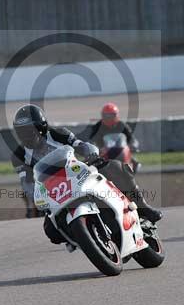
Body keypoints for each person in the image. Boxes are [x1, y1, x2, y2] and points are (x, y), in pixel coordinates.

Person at [10, 104, 162, 245]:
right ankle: (85, 238)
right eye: (22, 131)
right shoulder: (18, 155)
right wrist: (36, 197)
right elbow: (26, 182)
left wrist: (91, 153)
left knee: (117, 167)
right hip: (53, 191)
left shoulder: (57, 133)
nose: (27, 135)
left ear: (41, 126)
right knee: (52, 232)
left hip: (77, 173)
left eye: (30, 129)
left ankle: (142, 206)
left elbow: (80, 145)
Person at [82, 102, 140, 168]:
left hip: (121, 151)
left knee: (136, 164)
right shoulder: (97, 126)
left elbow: (132, 139)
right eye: (107, 116)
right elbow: (91, 140)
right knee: (87, 166)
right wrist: (97, 148)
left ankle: (131, 176)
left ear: (116, 115)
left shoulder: (122, 125)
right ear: (103, 115)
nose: (109, 118)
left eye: (111, 115)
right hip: (103, 152)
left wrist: (133, 145)